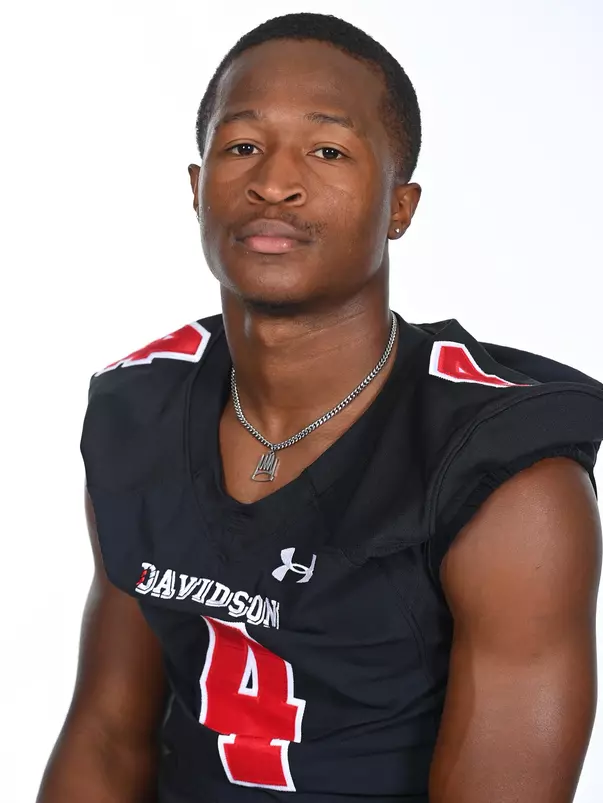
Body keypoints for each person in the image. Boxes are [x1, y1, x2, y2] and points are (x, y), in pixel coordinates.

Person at [37, 12, 603, 803]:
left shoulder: (503, 472)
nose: (274, 181)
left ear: (399, 207)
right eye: (241, 147)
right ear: (198, 189)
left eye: (328, 149)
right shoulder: (144, 407)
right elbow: (104, 736)